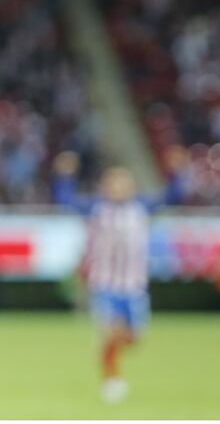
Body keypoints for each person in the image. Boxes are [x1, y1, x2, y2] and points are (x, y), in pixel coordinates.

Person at [51, 151, 182, 404]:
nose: (119, 188)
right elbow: (65, 200)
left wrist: (177, 172)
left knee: (134, 339)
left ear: (131, 187)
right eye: (114, 183)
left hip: (134, 286)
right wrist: (64, 175)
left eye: (123, 183)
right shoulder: (96, 209)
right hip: (105, 284)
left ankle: (108, 356)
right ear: (105, 187)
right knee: (112, 331)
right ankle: (111, 379)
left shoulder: (141, 207)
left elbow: (172, 197)